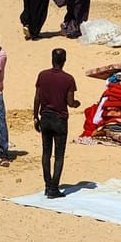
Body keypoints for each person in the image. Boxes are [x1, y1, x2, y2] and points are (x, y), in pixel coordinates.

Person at [33, 48, 78, 198]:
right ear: (64, 61)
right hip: (59, 120)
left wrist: (35, 116)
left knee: (46, 153)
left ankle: (47, 185)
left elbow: (37, 97)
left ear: (52, 59)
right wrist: (76, 104)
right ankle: (54, 188)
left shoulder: (42, 75)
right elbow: (70, 102)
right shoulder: (68, 79)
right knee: (59, 155)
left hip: (45, 117)